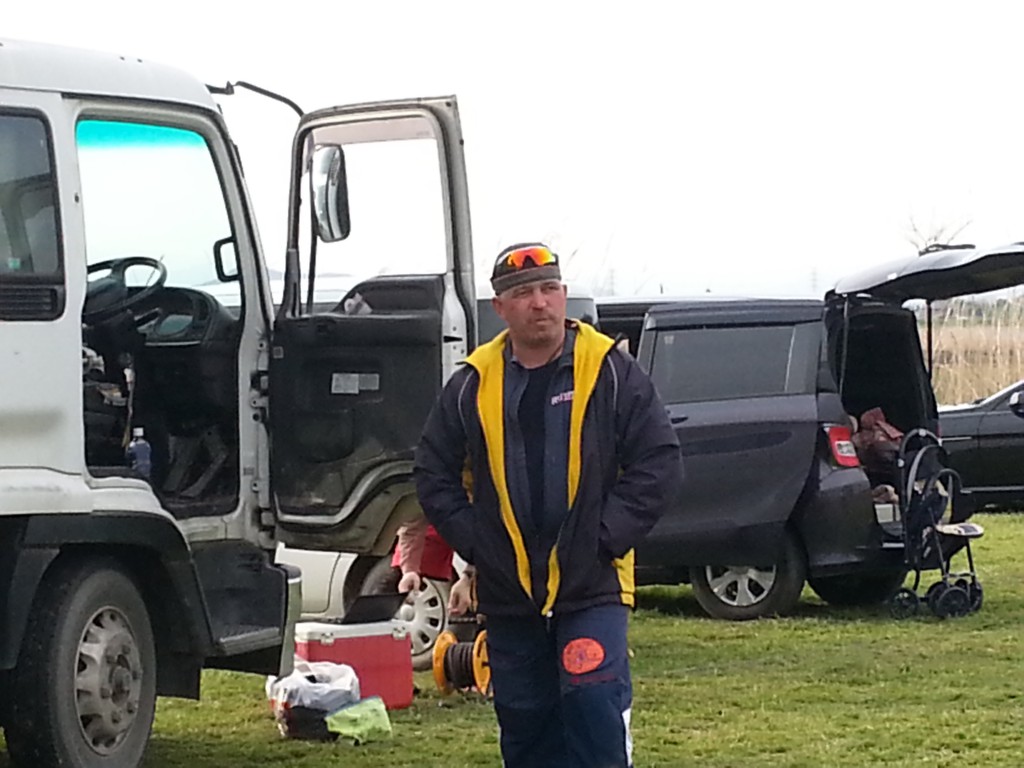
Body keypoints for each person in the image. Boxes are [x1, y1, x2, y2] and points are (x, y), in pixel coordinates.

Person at [413, 242, 684, 768]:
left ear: (563, 295)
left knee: (591, 704)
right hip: (509, 593)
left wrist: (603, 537)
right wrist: (478, 543)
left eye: (548, 289)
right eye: (523, 293)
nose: (539, 302)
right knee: (525, 722)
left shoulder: (608, 370)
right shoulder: (472, 382)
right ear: (500, 307)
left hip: (592, 585)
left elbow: (659, 462)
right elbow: (432, 471)